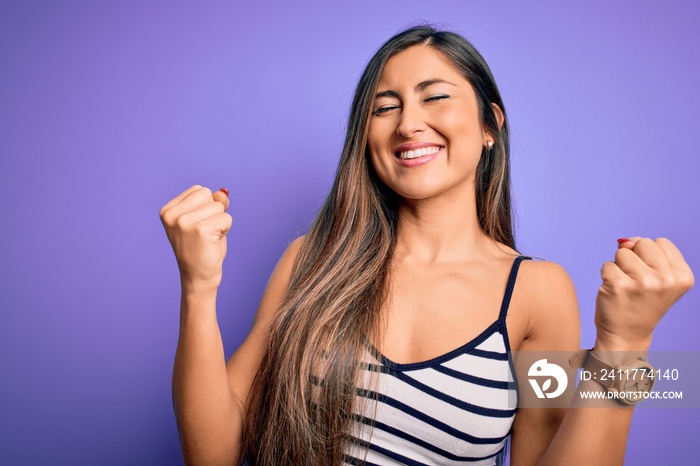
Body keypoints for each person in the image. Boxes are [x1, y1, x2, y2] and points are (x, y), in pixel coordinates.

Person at [159, 26, 693, 466]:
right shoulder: (311, 260)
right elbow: (212, 456)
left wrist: (624, 344)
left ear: (490, 126)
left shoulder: (537, 291)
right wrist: (198, 287)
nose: (409, 124)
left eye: (435, 96)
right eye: (384, 107)